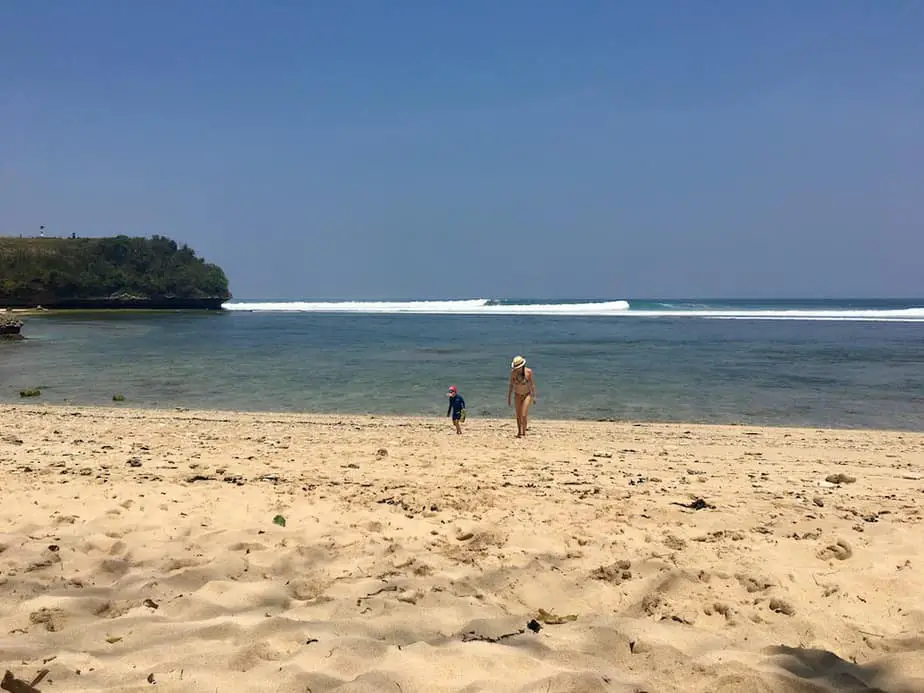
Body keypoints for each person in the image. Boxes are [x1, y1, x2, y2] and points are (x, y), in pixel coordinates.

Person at [507, 355, 537, 437]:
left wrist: (534, 396)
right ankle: (519, 432)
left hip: (526, 395)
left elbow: (532, 384)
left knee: (524, 415)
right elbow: (511, 385)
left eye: (518, 367)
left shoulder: (529, 372)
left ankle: (524, 432)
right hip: (517, 395)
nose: (516, 369)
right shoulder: (513, 373)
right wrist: (509, 397)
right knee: (518, 415)